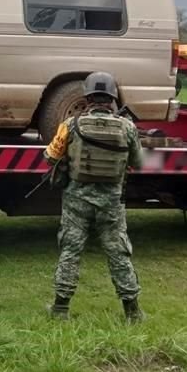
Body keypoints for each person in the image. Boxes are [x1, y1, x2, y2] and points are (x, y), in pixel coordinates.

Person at [44, 71, 144, 323]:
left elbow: (50, 157)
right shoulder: (129, 128)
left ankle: (60, 309)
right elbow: (139, 163)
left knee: (70, 251)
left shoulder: (71, 125)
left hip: (77, 200)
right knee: (118, 254)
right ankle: (133, 312)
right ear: (112, 99)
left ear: (87, 97)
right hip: (111, 202)